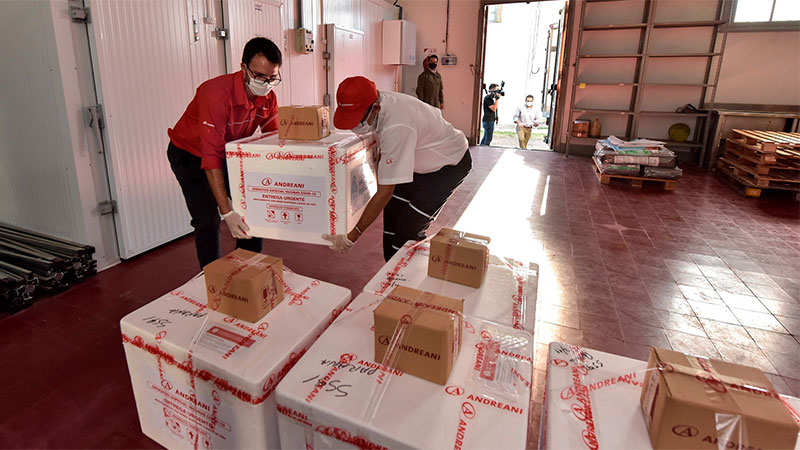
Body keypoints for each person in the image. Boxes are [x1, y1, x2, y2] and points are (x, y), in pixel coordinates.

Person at [322, 76, 471, 261]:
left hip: (448, 165)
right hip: (418, 161)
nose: (356, 128)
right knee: (391, 224)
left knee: (407, 232)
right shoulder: (377, 104)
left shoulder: (397, 124)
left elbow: (385, 191)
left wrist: (352, 236)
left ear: (375, 108)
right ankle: (392, 273)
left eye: (359, 121)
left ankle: (410, 276)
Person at [167, 37, 282, 268]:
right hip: (190, 154)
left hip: (228, 153)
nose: (265, 84)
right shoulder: (216, 94)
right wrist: (227, 212)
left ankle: (245, 269)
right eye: (260, 76)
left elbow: (274, 141)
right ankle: (212, 275)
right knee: (208, 219)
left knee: (252, 208)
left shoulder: (268, 97)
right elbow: (211, 158)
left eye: (272, 78)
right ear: (243, 68)